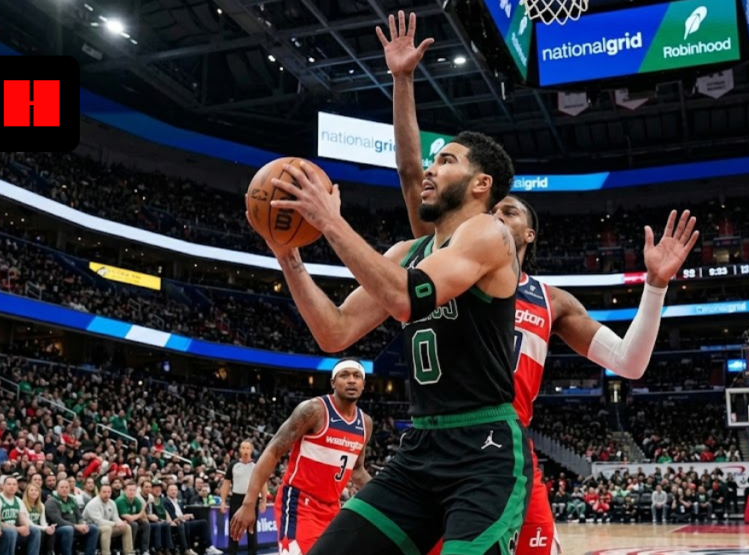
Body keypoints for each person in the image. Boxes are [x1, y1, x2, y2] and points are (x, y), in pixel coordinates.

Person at [380, 11, 698, 554]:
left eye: (509, 211)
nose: (494, 217)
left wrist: (655, 286)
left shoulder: (552, 300)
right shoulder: (444, 251)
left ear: (528, 233)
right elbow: (413, 174)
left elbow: (630, 364)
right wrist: (403, 83)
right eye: (491, 207)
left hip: (503, 453)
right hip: (441, 444)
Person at [244, 93, 527, 555]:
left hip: (484, 451)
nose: (431, 170)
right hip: (421, 449)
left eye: (447, 161)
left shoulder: (488, 233)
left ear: (481, 184)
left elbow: (403, 298)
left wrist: (331, 222)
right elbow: (333, 331)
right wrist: (287, 254)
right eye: (433, 160)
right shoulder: (405, 253)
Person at [229, 360, 371, 555]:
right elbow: (273, 451)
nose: (351, 380)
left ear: (364, 384)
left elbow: (357, 470)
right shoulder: (314, 410)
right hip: (299, 504)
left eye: (357, 376)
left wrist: (385, 498)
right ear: (333, 382)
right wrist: (249, 503)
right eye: (344, 375)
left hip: (332, 508)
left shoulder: (365, 423)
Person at [219, 442, 266, 555]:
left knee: (252, 529)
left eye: (248, 448)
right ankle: (232, 552)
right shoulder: (233, 465)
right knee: (234, 527)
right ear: (240, 450)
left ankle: (252, 553)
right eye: (243, 448)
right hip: (236, 498)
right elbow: (226, 484)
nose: (245, 450)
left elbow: (263, 483)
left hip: (252, 499)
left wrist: (264, 500)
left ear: (251, 450)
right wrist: (223, 501)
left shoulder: (257, 465)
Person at [44, 480, 98, 555]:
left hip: (75, 527)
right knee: (68, 529)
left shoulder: (72, 500)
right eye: (62, 487)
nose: (64, 489)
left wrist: (82, 523)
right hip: (58, 529)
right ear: (57, 489)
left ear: (69, 489)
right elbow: (58, 520)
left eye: (66, 487)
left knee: (93, 528)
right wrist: (76, 526)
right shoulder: (51, 502)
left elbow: (79, 516)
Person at [0, 476, 40, 555]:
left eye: (14, 484)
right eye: (9, 484)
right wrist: (17, 529)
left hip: (14, 531)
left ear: (17, 487)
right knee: (11, 531)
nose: (12, 486)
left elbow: (23, 518)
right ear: (3, 486)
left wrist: (26, 527)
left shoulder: (18, 500)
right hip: (0, 532)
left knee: (35, 530)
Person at [162, 485, 215, 555]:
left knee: (203, 523)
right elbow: (171, 517)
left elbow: (183, 512)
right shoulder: (165, 501)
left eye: (175, 490)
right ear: (167, 492)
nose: (173, 492)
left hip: (185, 521)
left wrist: (188, 515)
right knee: (184, 524)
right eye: (171, 490)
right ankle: (186, 549)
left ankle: (208, 547)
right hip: (176, 523)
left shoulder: (179, 501)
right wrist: (183, 517)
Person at [82, 485, 133, 555]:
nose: (107, 494)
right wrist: (115, 524)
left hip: (106, 525)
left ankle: (128, 552)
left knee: (127, 527)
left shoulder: (112, 503)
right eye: (104, 492)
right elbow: (99, 522)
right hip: (91, 527)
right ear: (99, 493)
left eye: (109, 492)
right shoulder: (93, 503)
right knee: (107, 528)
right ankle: (106, 553)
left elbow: (115, 517)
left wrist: (121, 523)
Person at [114, 484, 148, 555]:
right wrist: (142, 511)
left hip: (131, 522)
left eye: (134, 490)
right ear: (125, 491)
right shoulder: (121, 500)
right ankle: (129, 550)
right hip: (119, 524)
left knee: (145, 524)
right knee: (134, 525)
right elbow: (129, 518)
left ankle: (144, 550)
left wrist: (142, 514)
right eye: (130, 490)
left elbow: (143, 517)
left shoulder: (136, 500)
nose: (132, 492)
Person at [20, 484, 54, 555]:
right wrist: (44, 528)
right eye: (31, 490)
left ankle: (50, 552)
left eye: (36, 490)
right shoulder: (22, 504)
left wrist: (48, 528)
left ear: (39, 493)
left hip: (38, 528)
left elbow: (43, 522)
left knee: (50, 532)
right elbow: (29, 523)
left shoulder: (41, 505)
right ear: (27, 492)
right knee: (38, 532)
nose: (34, 492)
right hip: (27, 529)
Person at [141, 482, 172, 555]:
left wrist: (161, 519)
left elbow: (158, 512)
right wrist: (149, 516)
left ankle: (166, 548)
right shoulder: (140, 498)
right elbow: (143, 511)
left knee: (166, 524)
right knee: (158, 525)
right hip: (144, 521)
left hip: (153, 519)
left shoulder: (151, 498)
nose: (148, 489)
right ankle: (157, 549)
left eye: (149, 487)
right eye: (146, 487)